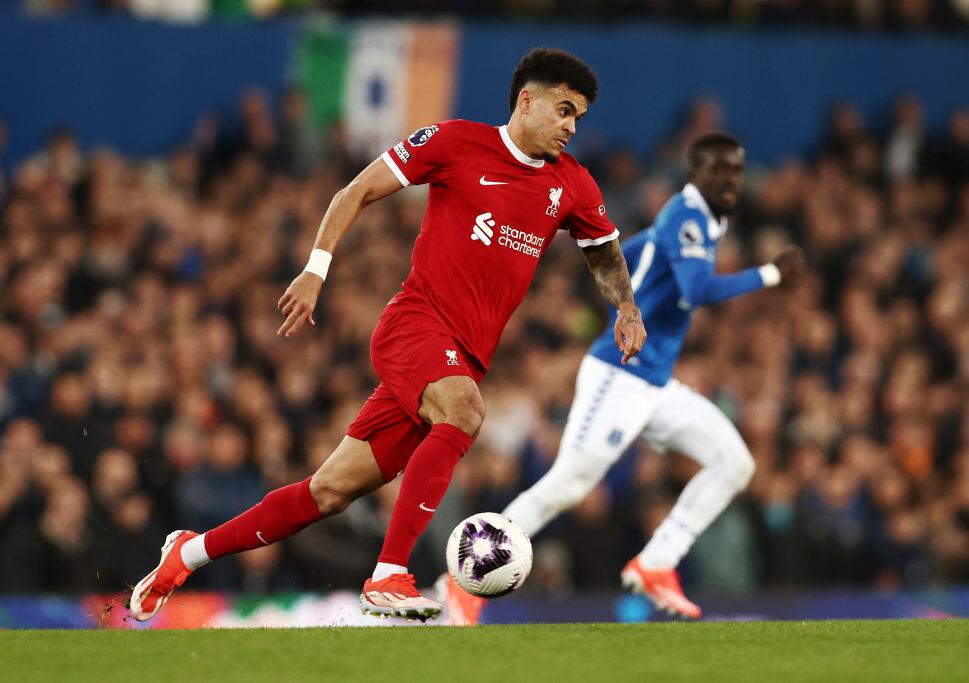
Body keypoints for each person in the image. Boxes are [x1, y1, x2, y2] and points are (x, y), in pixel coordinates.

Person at [130, 47, 647, 622]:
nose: (572, 127)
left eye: (579, 117)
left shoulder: (572, 185)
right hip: (414, 326)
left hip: (460, 357)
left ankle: (187, 554)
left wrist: (626, 305)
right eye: (564, 110)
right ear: (527, 100)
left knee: (327, 492)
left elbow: (604, 255)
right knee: (465, 412)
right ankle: (389, 573)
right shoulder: (455, 142)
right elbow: (352, 192)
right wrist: (316, 269)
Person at [442, 132, 804, 623]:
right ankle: (466, 581)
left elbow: (632, 253)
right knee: (569, 484)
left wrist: (607, 272)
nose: (731, 180)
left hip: (654, 383)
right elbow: (696, 289)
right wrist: (770, 276)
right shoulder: (687, 214)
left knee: (734, 462)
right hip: (619, 376)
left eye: (737, 170)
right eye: (720, 170)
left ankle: (656, 563)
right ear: (695, 173)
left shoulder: (690, 224)